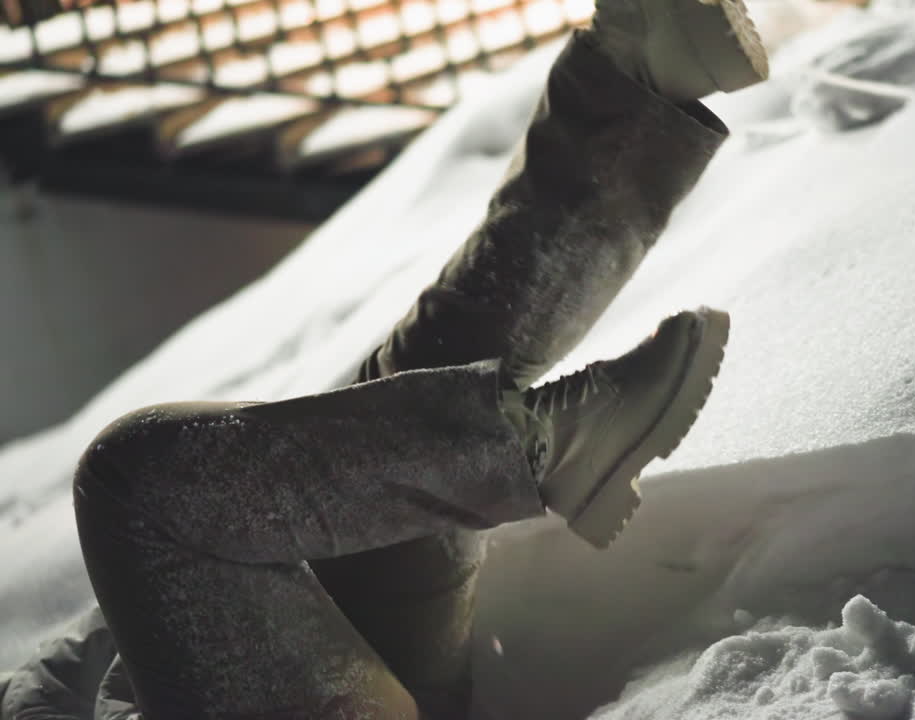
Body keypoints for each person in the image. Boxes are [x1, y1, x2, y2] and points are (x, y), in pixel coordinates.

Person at [0, 0, 769, 715]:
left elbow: (114, 637)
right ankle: (527, 451)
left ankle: (639, 74)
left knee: (409, 394)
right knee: (131, 487)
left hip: (325, 661)